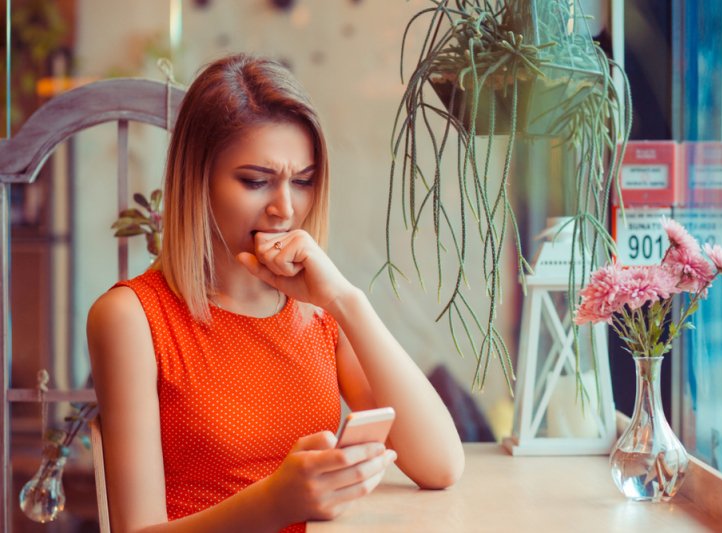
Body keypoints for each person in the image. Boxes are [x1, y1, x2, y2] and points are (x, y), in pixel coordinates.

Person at [87, 54, 464, 533]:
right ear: (196, 179)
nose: (285, 208)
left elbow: (441, 466)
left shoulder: (319, 311)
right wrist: (273, 503)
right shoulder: (132, 317)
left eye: (303, 182)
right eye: (256, 181)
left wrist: (348, 301)